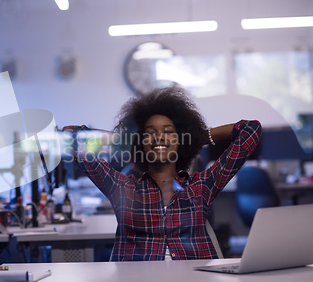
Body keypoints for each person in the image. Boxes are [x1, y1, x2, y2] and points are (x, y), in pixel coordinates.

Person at [62, 86, 261, 261]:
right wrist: (124, 138)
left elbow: (250, 131)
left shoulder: (202, 186)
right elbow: (71, 134)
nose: (158, 137)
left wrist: (199, 136)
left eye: (168, 132)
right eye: (149, 133)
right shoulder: (122, 188)